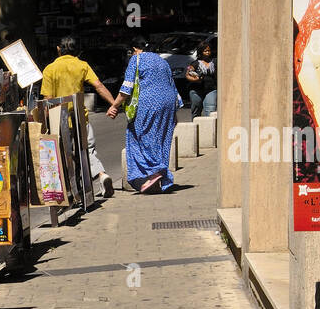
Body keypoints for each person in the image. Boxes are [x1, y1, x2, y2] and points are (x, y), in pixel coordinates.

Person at [40, 35, 117, 196]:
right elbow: (99, 86)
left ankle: (74, 190)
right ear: (77, 51)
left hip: (59, 121)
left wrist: (44, 123)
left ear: (58, 50)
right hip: (80, 117)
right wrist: (113, 104)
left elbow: (47, 100)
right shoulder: (82, 65)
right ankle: (101, 175)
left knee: (66, 155)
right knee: (88, 150)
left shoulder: (49, 69)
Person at [107, 35, 181, 194]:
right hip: (168, 102)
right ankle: (157, 174)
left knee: (138, 135)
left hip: (148, 102)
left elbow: (127, 87)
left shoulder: (136, 59)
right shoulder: (163, 61)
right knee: (161, 137)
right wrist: (174, 112)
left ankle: (154, 172)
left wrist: (114, 106)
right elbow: (172, 85)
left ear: (134, 49)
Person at [185, 40, 217, 119]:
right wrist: (195, 79)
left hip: (211, 89)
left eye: (208, 50)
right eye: (205, 51)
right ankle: (196, 128)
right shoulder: (195, 63)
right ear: (200, 51)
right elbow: (188, 73)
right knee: (196, 109)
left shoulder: (214, 62)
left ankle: (209, 130)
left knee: (210, 110)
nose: (207, 53)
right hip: (196, 90)